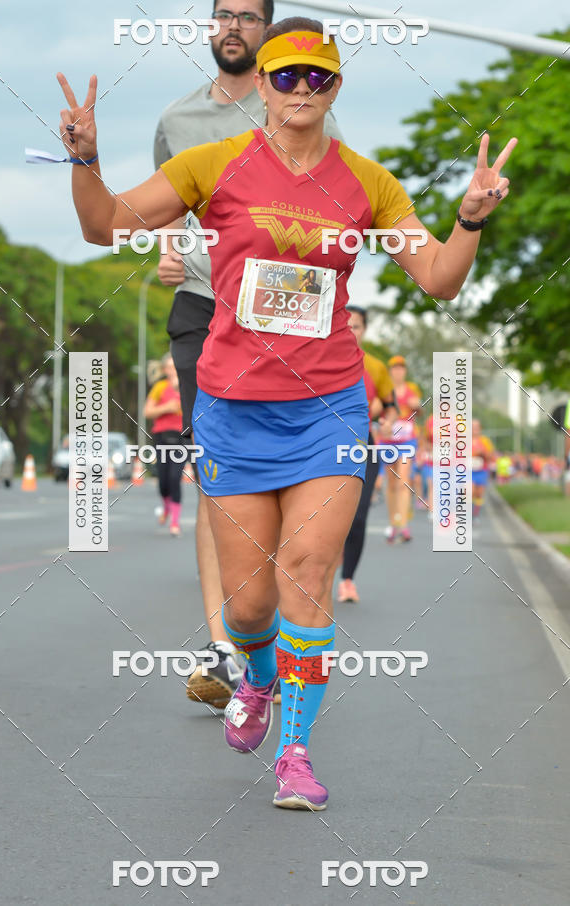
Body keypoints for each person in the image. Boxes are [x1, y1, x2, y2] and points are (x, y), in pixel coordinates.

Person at [57, 13, 516, 810]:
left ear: (335, 86)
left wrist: (470, 216)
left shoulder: (369, 183)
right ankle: (259, 678)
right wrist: (84, 156)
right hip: (234, 408)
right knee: (248, 608)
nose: (301, 88)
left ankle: (295, 753)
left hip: (329, 408)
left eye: (318, 76)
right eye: (286, 75)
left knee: (307, 578)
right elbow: (103, 225)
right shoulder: (213, 163)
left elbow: (439, 278)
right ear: (262, 86)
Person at [153, 0, 343, 709]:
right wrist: (169, 251)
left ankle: (270, 602)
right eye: (222, 14)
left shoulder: (302, 98)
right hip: (207, 313)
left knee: (293, 488)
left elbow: (339, 203)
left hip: (291, 322)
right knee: (215, 470)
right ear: (211, 27)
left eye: (247, 16)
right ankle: (223, 646)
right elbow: (167, 206)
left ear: (268, 34)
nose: (232, 26)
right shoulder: (177, 121)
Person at [337, 306, 396, 603]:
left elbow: (390, 405)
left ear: (365, 330)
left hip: (363, 445)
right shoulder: (321, 361)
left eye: (357, 327)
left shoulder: (375, 367)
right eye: (345, 325)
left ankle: (347, 580)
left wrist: (387, 420)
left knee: (358, 516)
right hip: (324, 446)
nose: (350, 332)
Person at [377, 356, 422, 543]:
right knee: (392, 484)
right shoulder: (385, 390)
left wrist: (417, 406)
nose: (398, 371)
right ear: (390, 371)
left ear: (405, 371)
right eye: (395, 368)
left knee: (403, 480)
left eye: (401, 368)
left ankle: (403, 525)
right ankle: (394, 523)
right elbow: (376, 411)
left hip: (406, 441)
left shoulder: (412, 389)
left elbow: (420, 411)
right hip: (387, 441)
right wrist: (382, 420)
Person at [143, 353, 184, 536]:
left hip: (182, 437)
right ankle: (166, 507)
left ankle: (175, 522)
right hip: (161, 436)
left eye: (175, 367)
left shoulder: (187, 385)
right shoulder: (160, 387)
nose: (172, 371)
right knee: (163, 480)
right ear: (164, 370)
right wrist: (166, 408)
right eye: (169, 367)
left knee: (175, 478)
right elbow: (147, 411)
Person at [471, 419, 495, 518]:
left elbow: (491, 456)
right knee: (470, 490)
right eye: (472, 427)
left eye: (477, 427)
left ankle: (475, 515)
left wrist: (483, 453)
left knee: (479, 494)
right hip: (468, 471)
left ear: (480, 428)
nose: (474, 429)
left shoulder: (485, 441)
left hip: (482, 471)